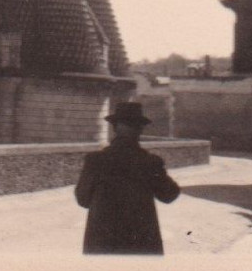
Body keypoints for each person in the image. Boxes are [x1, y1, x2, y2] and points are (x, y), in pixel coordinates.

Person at [74, 101, 181, 255]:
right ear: (140, 129)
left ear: (115, 128)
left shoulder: (95, 160)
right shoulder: (150, 162)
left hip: (102, 243)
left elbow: (83, 199)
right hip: (140, 243)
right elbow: (170, 195)